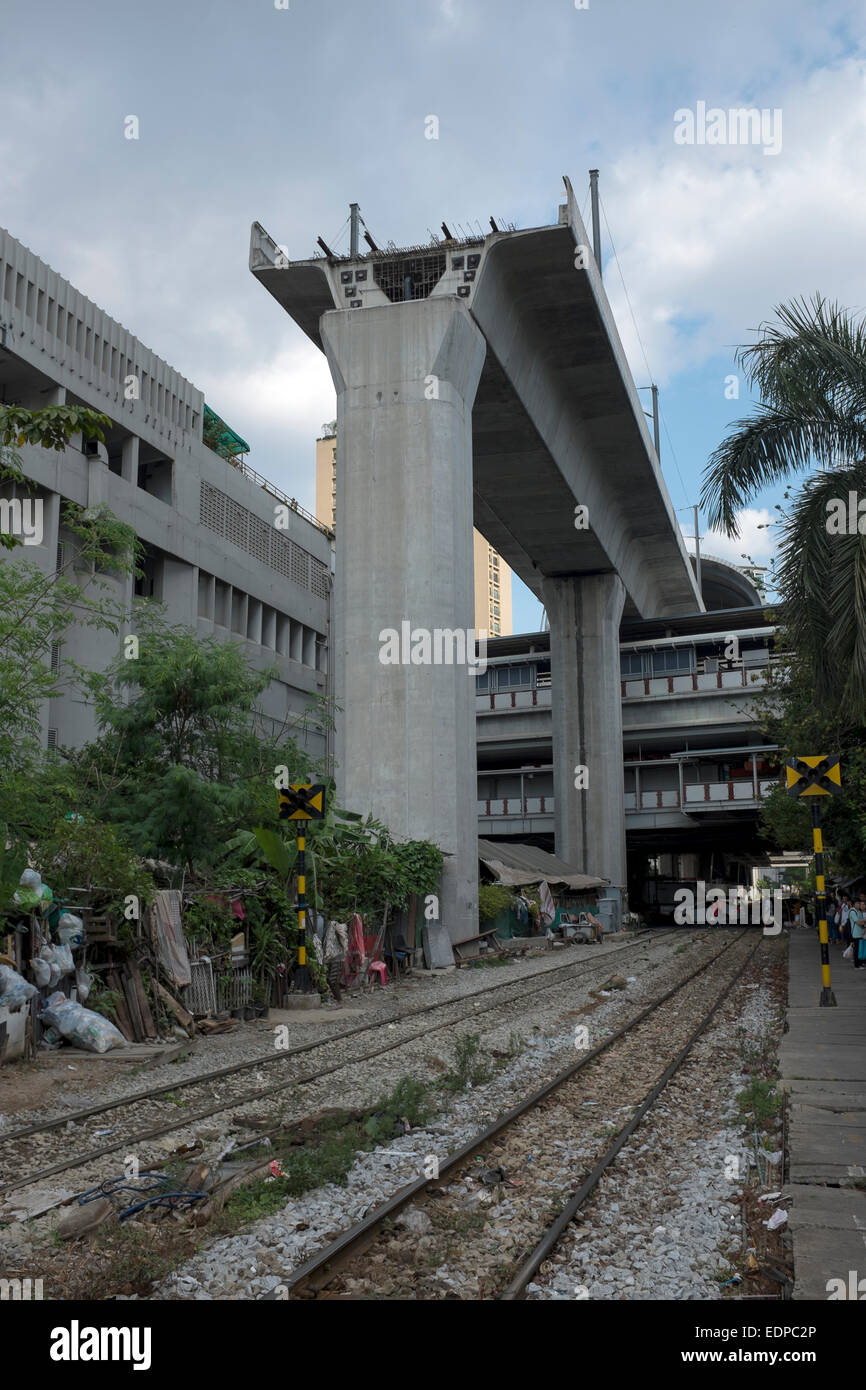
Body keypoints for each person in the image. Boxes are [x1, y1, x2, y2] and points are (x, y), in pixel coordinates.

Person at [849, 897, 865, 968]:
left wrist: (863, 922)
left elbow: (862, 922)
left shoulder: (859, 911)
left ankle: (860, 963)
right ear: (854, 904)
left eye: (859, 903)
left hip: (860, 933)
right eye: (858, 903)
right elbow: (858, 922)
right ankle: (857, 965)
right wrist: (864, 922)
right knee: (857, 950)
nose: (859, 905)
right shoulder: (853, 911)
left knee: (860, 949)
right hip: (855, 934)